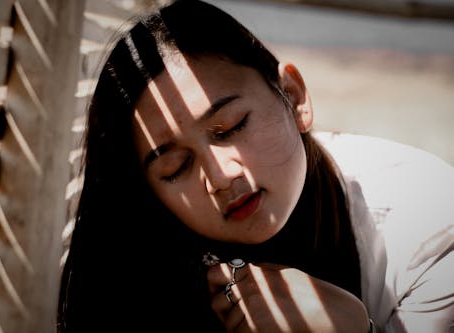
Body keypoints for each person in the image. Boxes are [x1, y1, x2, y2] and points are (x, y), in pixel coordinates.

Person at [57, 0, 454, 332]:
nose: (221, 176)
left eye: (231, 127)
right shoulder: (138, 270)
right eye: (176, 167)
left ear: (295, 97)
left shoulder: (427, 221)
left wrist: (353, 327)